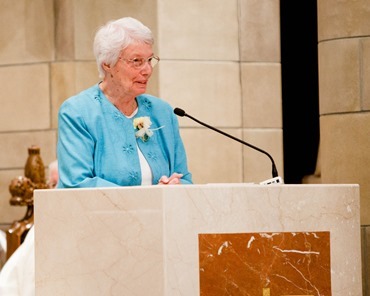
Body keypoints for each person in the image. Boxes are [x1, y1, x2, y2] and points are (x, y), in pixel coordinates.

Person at [57, 17, 192, 188]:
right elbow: (78, 183)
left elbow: (184, 178)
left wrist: (176, 186)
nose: (148, 70)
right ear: (107, 64)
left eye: (150, 60)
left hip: (160, 214)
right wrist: (151, 198)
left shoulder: (163, 112)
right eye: (137, 61)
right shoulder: (78, 112)